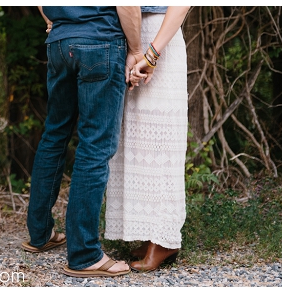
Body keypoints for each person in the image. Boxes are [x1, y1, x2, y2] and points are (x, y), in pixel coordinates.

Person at [22, 6, 142, 277]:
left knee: (54, 135)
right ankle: (84, 254)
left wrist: (54, 20)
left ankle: (39, 235)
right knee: (95, 146)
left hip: (60, 43)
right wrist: (135, 50)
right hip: (100, 41)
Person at [105, 6, 191, 272]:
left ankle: (164, 238)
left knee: (162, 141)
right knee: (135, 136)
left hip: (161, 36)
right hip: (131, 37)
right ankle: (148, 231)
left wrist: (152, 53)